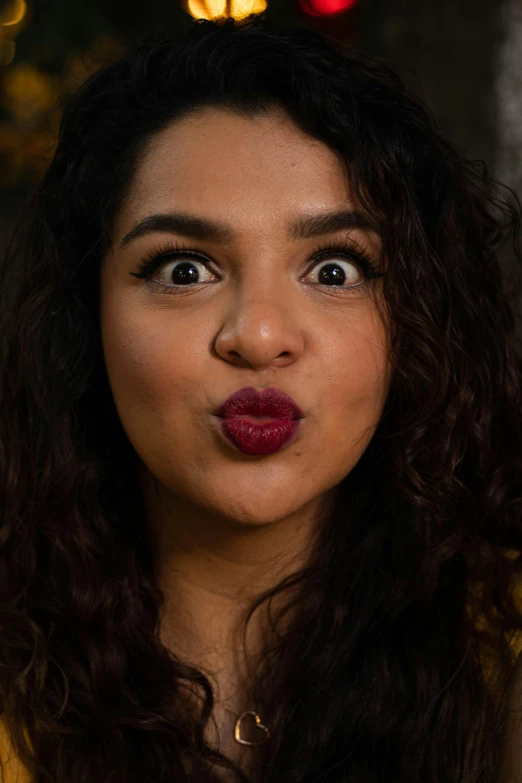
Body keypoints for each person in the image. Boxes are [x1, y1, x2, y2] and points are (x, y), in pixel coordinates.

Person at [1, 13, 522, 783]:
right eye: (184, 269)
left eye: (335, 269)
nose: (259, 334)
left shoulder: (501, 653)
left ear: (416, 322)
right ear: (89, 316)